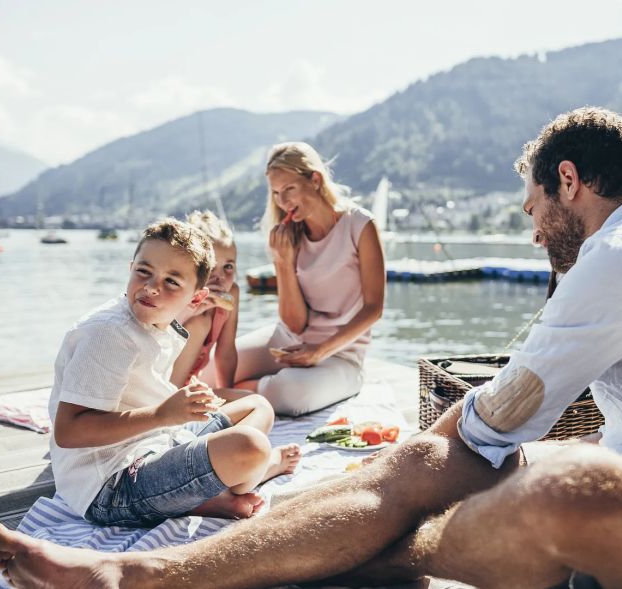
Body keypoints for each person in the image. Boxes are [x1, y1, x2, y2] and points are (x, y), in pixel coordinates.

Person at [0, 108, 622, 589]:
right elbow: (505, 414)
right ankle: (159, 570)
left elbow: (503, 413)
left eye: (531, 208)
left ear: (569, 180)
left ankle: (211, 569)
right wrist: (413, 462)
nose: (529, 230)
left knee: (554, 483)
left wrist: (412, 467)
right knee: (455, 461)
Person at [44, 218, 300, 528]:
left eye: (172, 282)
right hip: (110, 485)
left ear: (196, 298)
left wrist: (179, 409)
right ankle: (236, 483)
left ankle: (213, 489)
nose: (151, 287)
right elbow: (69, 433)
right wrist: (163, 414)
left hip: (158, 441)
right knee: (251, 447)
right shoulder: (107, 335)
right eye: (144, 272)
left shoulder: (159, 323)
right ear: (130, 267)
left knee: (258, 406)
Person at [232, 141, 386, 416]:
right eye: (277, 193)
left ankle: (238, 395)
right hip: (289, 339)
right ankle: (243, 393)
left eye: (289, 189)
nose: (283, 201)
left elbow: (374, 308)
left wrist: (319, 351)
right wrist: (283, 262)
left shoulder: (360, 225)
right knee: (221, 364)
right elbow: (294, 323)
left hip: (341, 353)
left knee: (291, 392)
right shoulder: (288, 236)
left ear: (315, 180)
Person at [170, 210, 240, 389]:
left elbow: (226, 353)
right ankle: (171, 410)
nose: (220, 276)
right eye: (211, 266)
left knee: (254, 402)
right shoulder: (177, 293)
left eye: (228, 266)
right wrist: (188, 312)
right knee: (200, 324)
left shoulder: (232, 293)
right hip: (162, 387)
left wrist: (226, 392)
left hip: (190, 385)